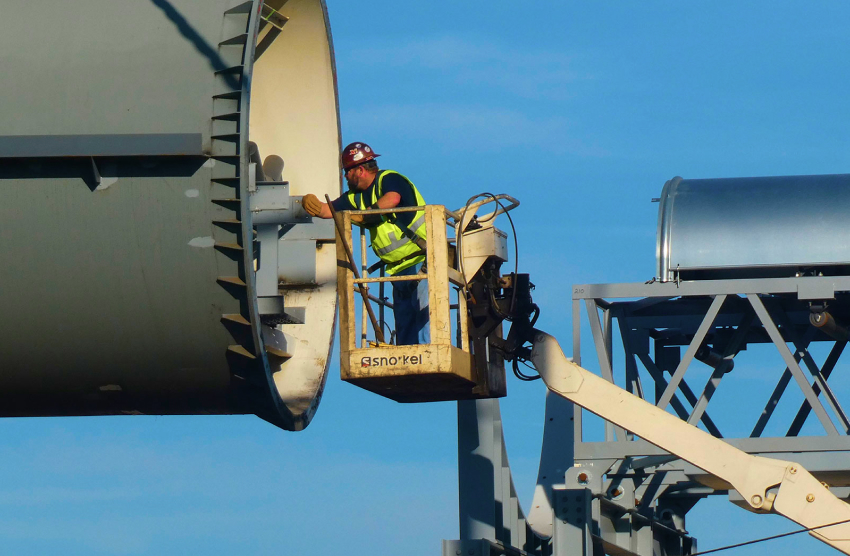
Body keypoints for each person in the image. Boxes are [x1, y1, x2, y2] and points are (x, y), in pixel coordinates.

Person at [302, 142, 429, 345]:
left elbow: (393, 199)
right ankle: (410, 361)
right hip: (397, 269)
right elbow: (329, 210)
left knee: (424, 317)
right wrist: (312, 205)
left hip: (422, 262)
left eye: (347, 172)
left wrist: (366, 216)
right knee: (405, 323)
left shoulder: (389, 179)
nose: (345, 177)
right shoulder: (355, 198)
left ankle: (427, 358)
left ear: (360, 170)